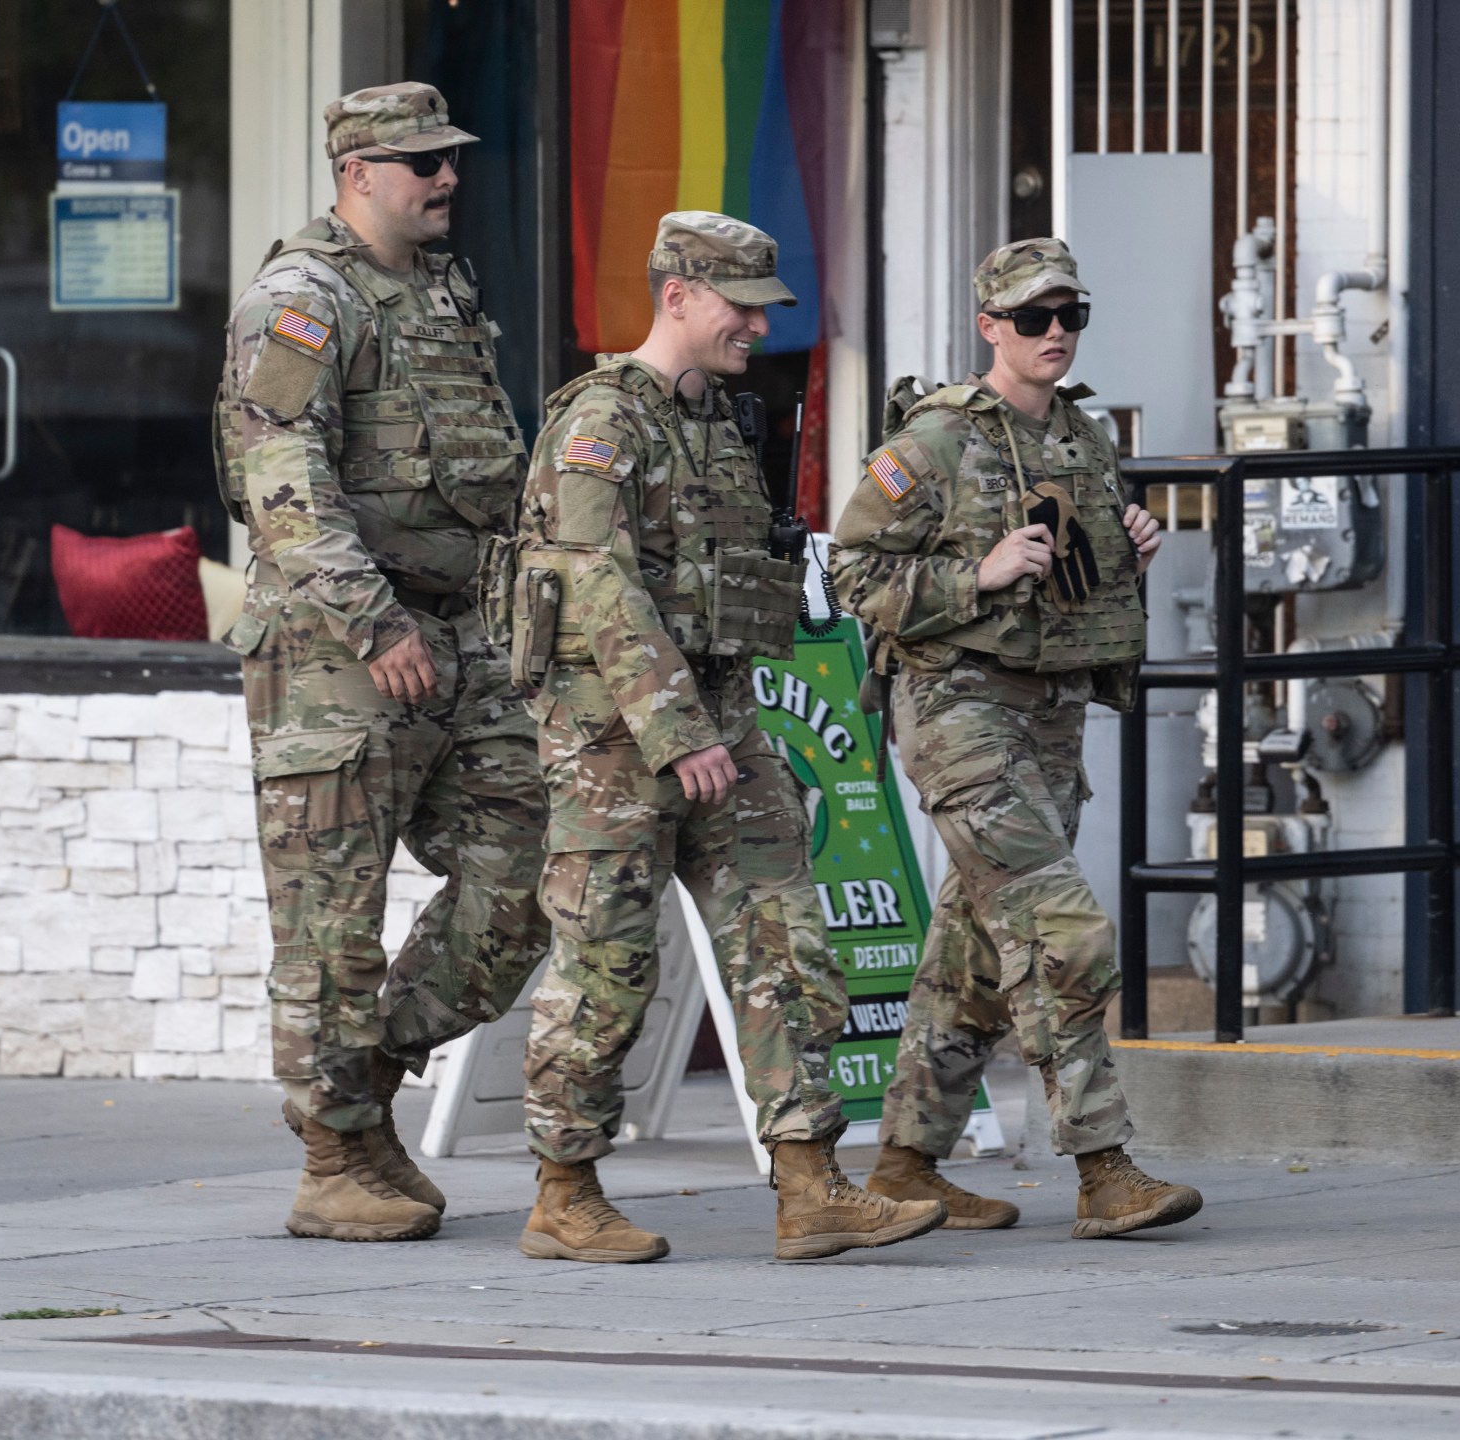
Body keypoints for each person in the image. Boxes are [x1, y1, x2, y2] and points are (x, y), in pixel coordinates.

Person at [510, 211, 945, 1263]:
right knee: (608, 958)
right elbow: (598, 584)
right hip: (615, 732)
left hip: (729, 710)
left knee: (782, 938)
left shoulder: (718, 422)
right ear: (677, 295)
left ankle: (809, 1185)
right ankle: (563, 1192)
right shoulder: (600, 422)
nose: (758, 324)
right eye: (741, 304)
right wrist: (674, 730)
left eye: (763, 305)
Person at [214, 83, 549, 1243]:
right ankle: (332, 1156)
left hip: (464, 632)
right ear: (357, 173)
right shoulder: (300, 301)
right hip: (342, 651)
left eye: (450, 157)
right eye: (420, 163)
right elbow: (285, 491)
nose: (446, 178)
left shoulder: (436, 290)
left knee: (541, 854)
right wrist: (377, 626)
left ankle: (368, 1080)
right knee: (330, 917)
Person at [830, 238, 1204, 1239]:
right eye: (1032, 318)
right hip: (957, 711)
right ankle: (1104, 1167)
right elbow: (849, 574)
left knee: (973, 952)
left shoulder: (1084, 436)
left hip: (1048, 714)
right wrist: (976, 576)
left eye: (1068, 316)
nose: (1053, 335)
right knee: (1059, 930)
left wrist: (1128, 554)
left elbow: (1078, 582)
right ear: (989, 324)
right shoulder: (934, 441)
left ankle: (907, 1165)